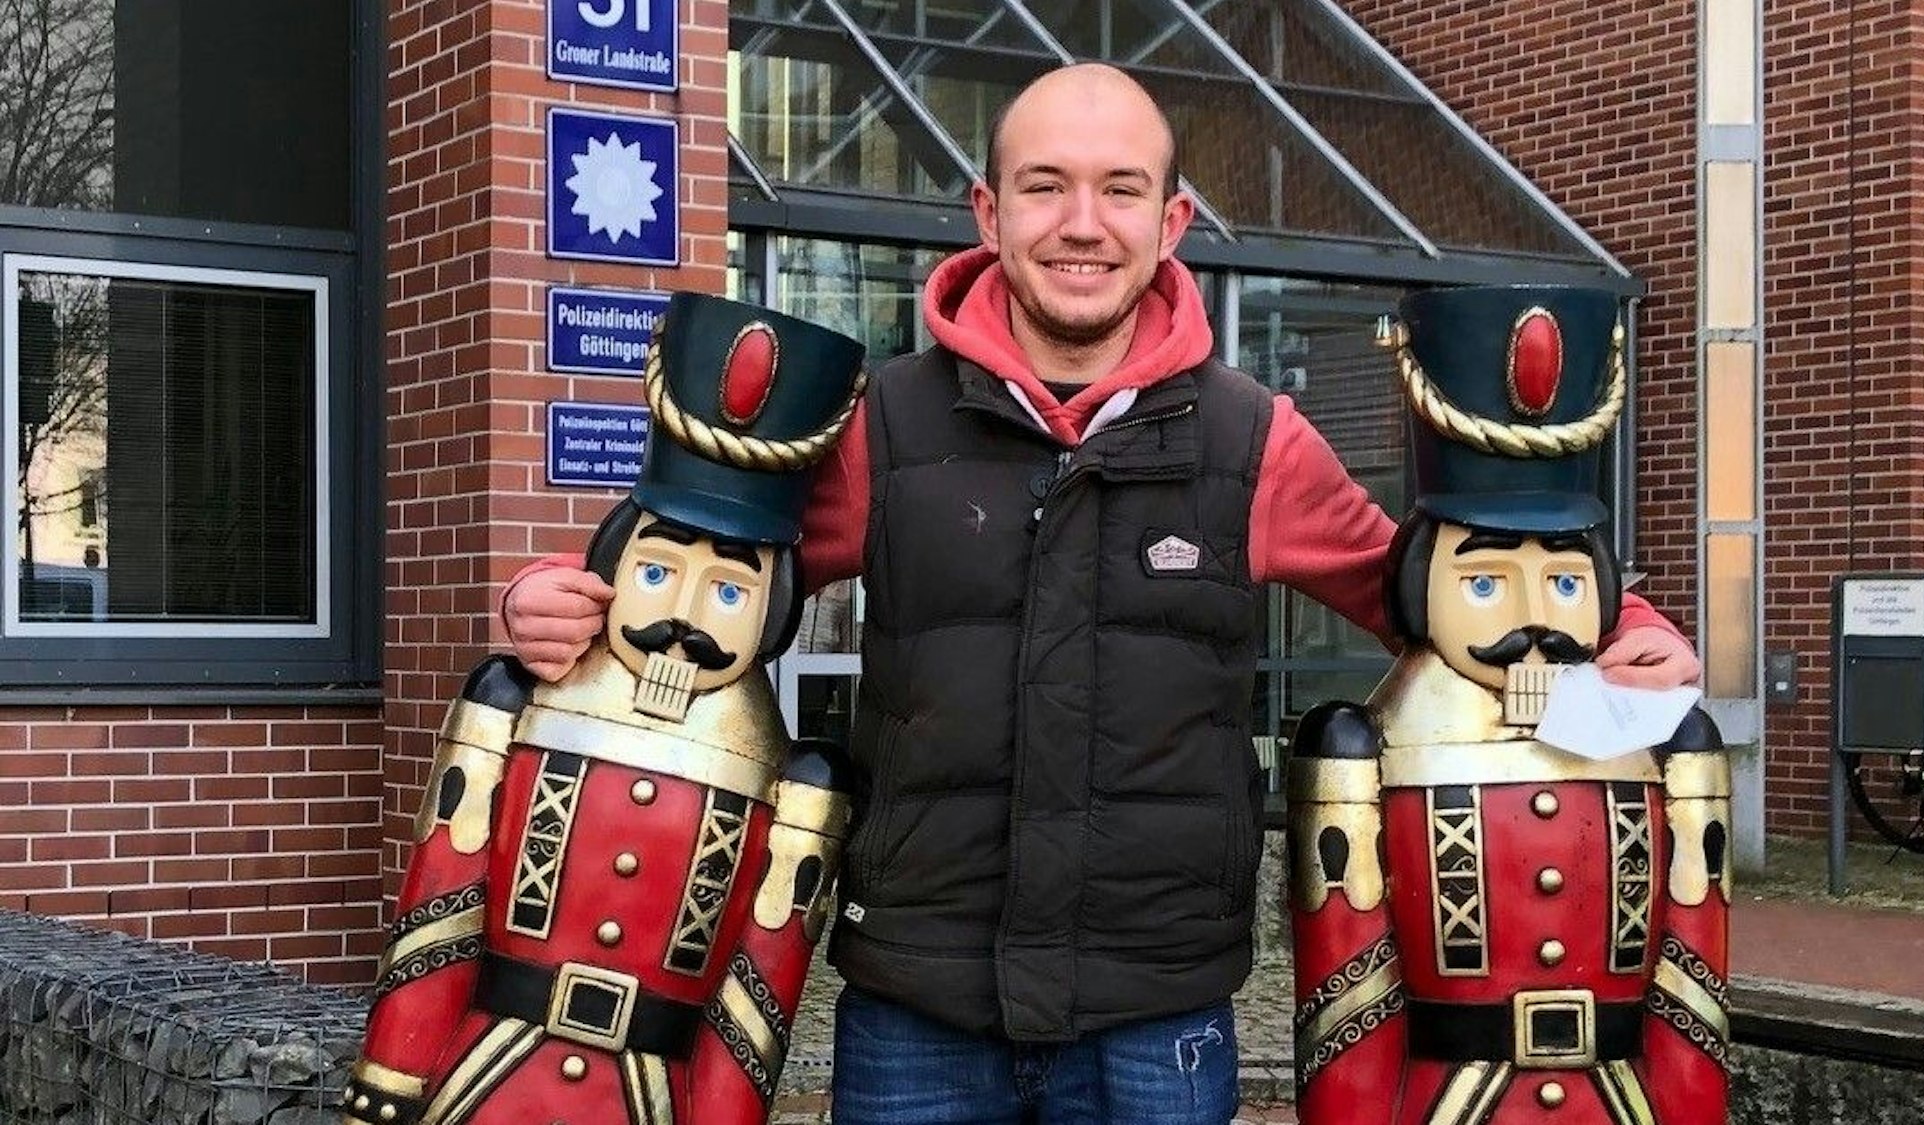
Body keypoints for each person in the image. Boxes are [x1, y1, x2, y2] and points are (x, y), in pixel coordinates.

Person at [501, 64, 1702, 1124]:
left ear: (1172, 218)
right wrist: (565, 600)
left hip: (1154, 1021)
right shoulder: (885, 425)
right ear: (986, 210)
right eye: (1043, 186)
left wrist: (1629, 632)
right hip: (917, 1012)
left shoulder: (1256, 443)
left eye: (1121, 189)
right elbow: (703, 583)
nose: (1083, 224)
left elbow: (1440, 596)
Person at [343, 295, 866, 1125]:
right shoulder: (515, 702)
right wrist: (389, 1085)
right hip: (492, 1076)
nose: (685, 618)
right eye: (656, 572)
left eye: (731, 589)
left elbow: (753, 1000)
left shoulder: (796, 779)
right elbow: (442, 913)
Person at [1287, 287, 1729, 1125]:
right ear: (1421, 583)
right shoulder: (1363, 748)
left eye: (1565, 580)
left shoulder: (1668, 744)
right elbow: (1351, 994)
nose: (1533, 618)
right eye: (1483, 580)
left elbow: (1690, 976)